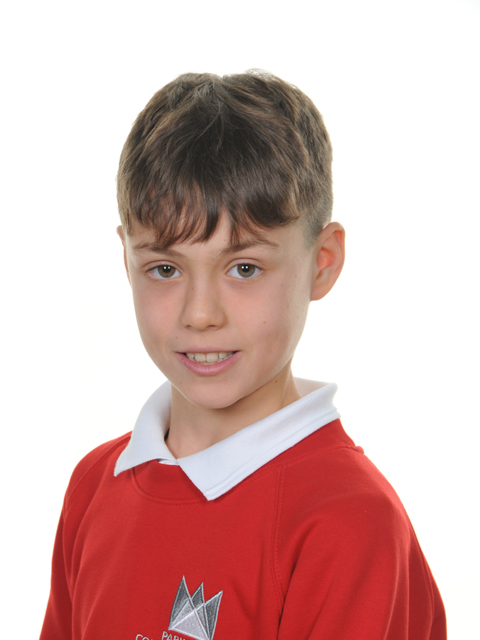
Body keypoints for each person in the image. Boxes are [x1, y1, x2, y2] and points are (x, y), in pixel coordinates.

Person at [40, 71, 446, 640]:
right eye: (165, 268)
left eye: (245, 268)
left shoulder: (348, 524)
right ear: (127, 261)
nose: (200, 313)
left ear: (322, 262)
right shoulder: (92, 487)